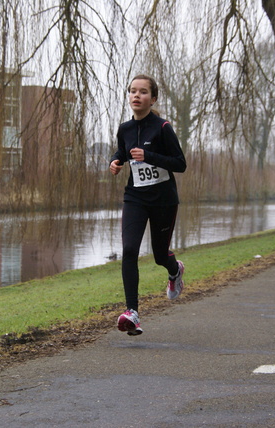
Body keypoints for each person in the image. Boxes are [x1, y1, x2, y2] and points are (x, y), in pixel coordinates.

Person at [109, 74, 187, 335]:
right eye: (132, 91)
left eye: (143, 92)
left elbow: (180, 163)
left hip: (163, 200)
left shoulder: (163, 127)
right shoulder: (125, 129)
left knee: (159, 255)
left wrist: (150, 156)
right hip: (136, 197)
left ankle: (175, 270)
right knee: (129, 249)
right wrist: (115, 162)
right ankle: (132, 312)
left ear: (153, 99)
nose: (136, 96)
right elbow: (123, 151)